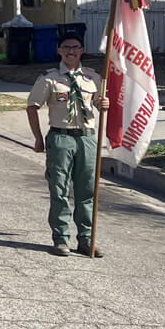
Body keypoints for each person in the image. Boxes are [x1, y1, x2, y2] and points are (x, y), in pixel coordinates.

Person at [25, 34, 108, 257]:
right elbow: (32, 106)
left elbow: (102, 104)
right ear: (59, 51)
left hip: (87, 138)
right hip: (61, 138)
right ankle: (61, 238)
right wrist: (38, 138)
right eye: (66, 48)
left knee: (87, 190)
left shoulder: (94, 78)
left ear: (82, 50)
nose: (71, 51)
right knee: (59, 189)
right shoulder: (49, 79)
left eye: (75, 47)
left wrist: (104, 104)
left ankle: (86, 239)